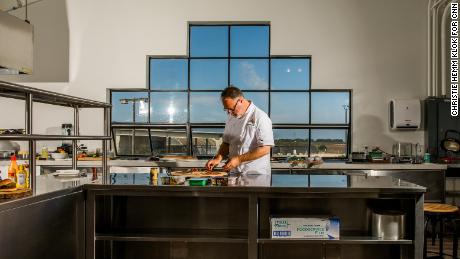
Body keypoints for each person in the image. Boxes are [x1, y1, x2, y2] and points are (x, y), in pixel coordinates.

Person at [205, 86, 274, 175]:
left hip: (255, 174)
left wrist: (239, 159)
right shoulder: (231, 117)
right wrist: (218, 158)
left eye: (231, 108)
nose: (229, 113)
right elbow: (226, 143)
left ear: (241, 100)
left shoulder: (260, 117)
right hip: (234, 172)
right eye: (226, 109)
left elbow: (265, 149)